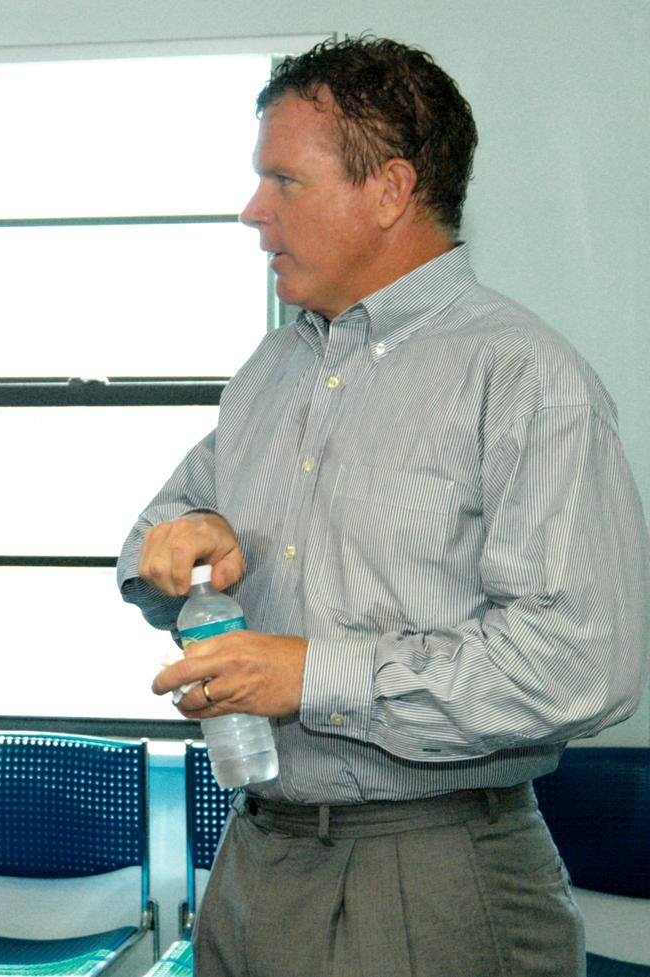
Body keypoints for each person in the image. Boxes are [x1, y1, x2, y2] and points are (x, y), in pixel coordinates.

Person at [119, 36, 649, 977]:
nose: (252, 211)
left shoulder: (525, 379)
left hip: (438, 869)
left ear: (390, 190)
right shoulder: (271, 371)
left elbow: (582, 662)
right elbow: (149, 546)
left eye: (284, 180)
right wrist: (181, 543)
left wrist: (318, 674)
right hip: (256, 858)